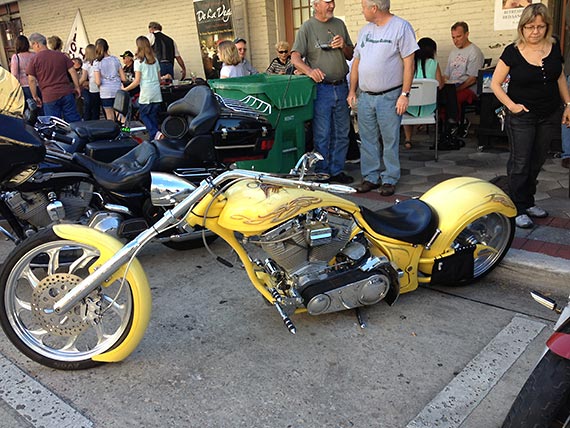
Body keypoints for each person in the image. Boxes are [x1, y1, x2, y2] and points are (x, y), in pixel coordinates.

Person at [491, 3, 570, 228]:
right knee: (520, 162)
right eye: (530, 27)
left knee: (537, 161)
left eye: (540, 26)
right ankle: (515, 207)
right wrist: (512, 106)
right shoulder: (512, 51)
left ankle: (527, 201)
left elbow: (559, 77)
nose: (535, 31)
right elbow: (495, 84)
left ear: (547, 27)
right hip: (522, 116)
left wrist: (568, 104)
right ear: (522, 27)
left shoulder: (553, 47)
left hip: (549, 114)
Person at [347, 0, 418, 195]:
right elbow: (356, 63)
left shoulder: (401, 27)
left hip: (390, 95)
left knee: (390, 139)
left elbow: (409, 64)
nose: (362, 11)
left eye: (364, 7)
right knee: (367, 139)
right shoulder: (364, 31)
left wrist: (404, 94)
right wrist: (352, 91)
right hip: (365, 96)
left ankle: (389, 178)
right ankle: (370, 177)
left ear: (374, 8)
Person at [290, 0, 355, 184]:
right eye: (327, 2)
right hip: (321, 88)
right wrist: (309, 71)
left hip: (341, 86)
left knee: (342, 132)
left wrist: (343, 46)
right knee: (322, 134)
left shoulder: (339, 24)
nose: (332, 5)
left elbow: (350, 54)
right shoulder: (307, 27)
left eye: (332, 1)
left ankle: (336, 170)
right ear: (315, 4)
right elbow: (294, 57)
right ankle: (322, 172)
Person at [26, 32, 81, 122]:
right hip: (66, 92)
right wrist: (77, 87)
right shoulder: (60, 55)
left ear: (36, 44)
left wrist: (35, 96)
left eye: (32, 46)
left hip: (49, 95)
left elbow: (31, 80)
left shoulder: (34, 60)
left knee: (54, 123)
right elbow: (72, 71)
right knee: (74, 120)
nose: (33, 49)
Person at [444, 22, 484, 137]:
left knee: (452, 98)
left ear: (467, 34)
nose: (455, 40)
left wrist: (455, 90)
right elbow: (446, 75)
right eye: (453, 37)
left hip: (468, 87)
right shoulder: (453, 52)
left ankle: (455, 123)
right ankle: (450, 123)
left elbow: (472, 79)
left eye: (458, 36)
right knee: (439, 96)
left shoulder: (474, 52)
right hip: (453, 86)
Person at [403, 37, 444, 149]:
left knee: (407, 105)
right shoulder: (434, 63)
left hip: (410, 107)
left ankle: (408, 139)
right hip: (429, 107)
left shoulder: (409, 64)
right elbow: (440, 85)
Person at [122, 36, 162, 140]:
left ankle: (155, 133)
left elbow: (137, 81)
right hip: (156, 92)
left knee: (143, 115)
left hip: (146, 92)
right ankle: (155, 138)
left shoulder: (138, 62)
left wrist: (125, 89)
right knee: (153, 116)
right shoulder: (155, 60)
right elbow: (159, 78)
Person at [93, 38, 126, 120]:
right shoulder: (115, 59)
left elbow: (98, 81)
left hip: (106, 91)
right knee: (120, 115)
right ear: (107, 47)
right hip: (117, 89)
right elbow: (123, 78)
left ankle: (113, 128)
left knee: (110, 116)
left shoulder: (97, 62)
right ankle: (125, 128)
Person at [9, 35, 39, 109]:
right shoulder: (35, 55)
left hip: (24, 87)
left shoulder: (16, 57)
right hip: (37, 85)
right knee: (40, 107)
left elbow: (14, 75)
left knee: (29, 110)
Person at [79, 43, 101, 120]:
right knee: (97, 108)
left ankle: (89, 123)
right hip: (102, 86)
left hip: (93, 87)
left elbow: (83, 78)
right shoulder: (99, 61)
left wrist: (77, 85)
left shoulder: (86, 64)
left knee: (90, 107)